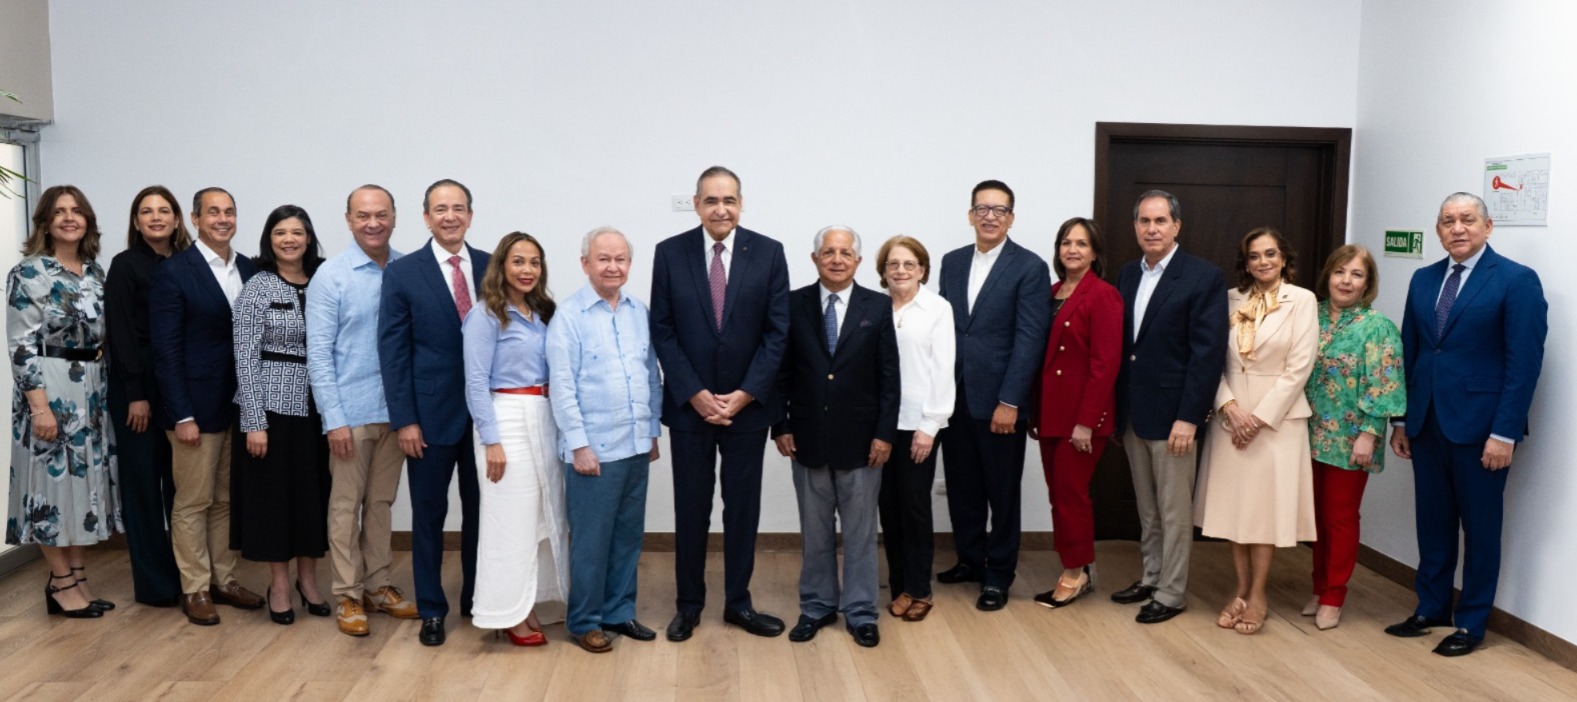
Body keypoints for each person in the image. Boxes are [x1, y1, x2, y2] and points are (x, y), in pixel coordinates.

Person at [1385, 192, 1547, 657]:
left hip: (1482, 430)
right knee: (1432, 523)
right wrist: (1401, 419)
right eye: (1448, 221)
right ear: (1438, 230)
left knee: (1480, 528)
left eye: (1467, 219)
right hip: (1427, 424)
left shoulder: (1516, 281)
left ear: (1488, 227)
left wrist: (1505, 432)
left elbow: (1524, 364)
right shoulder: (1423, 278)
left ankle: (1471, 622)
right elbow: (1411, 354)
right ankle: (1431, 607)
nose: (1457, 228)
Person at [650, 166, 790, 641]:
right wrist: (694, 392)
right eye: (711, 200)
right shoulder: (669, 254)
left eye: (729, 200)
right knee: (691, 508)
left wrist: (747, 393)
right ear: (696, 204)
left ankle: (738, 603)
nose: (721, 209)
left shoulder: (769, 253)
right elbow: (663, 330)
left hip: (747, 409)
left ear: (741, 203)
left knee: (742, 508)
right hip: (691, 408)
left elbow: (777, 332)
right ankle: (688, 604)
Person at [773, 226, 899, 648]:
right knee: (815, 531)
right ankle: (817, 606)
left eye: (846, 252)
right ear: (815, 259)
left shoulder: (878, 307)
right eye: (829, 252)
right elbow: (781, 372)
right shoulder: (792, 304)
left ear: (858, 261)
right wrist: (782, 424)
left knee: (861, 533)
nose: (837, 259)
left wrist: (884, 434)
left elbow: (889, 379)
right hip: (805, 438)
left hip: (863, 443)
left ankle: (861, 611)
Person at [378, 179, 489, 646]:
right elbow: (393, 351)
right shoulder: (404, 273)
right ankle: (432, 609)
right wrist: (405, 419)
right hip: (428, 417)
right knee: (428, 515)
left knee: (484, 513)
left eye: (458, 208)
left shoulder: (490, 266)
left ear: (470, 214)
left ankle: (478, 600)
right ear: (426, 217)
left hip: (485, 419)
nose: (450, 216)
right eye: (440, 209)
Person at [6, 185, 123, 618]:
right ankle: (59, 584)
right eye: (59, 212)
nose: (69, 218)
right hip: (51, 390)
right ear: (45, 222)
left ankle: (78, 578)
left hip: (91, 390)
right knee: (52, 489)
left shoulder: (95, 272)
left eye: (77, 211)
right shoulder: (29, 273)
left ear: (88, 220)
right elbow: (20, 345)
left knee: (82, 490)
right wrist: (39, 407)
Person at [307, 184, 418, 636]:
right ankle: (348, 595)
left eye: (382, 214)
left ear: (395, 217)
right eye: (363, 215)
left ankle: (379, 586)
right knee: (345, 506)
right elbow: (318, 353)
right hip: (350, 414)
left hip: (397, 412)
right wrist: (333, 419)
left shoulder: (410, 270)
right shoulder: (331, 276)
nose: (373, 223)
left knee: (381, 503)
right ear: (349, 220)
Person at [1194, 227, 1317, 635]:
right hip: (1231, 418)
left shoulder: (1302, 301)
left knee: (1264, 512)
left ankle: (1259, 594)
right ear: (1245, 263)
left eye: (1270, 254)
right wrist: (1229, 407)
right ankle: (1241, 588)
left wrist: (1259, 418)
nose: (1262, 262)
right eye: (1254, 256)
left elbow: (1300, 367)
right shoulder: (1229, 300)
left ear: (1284, 258)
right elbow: (1212, 359)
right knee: (1236, 509)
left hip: (1276, 423)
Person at [1112, 189, 1228, 624]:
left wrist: (1189, 417)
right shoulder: (1126, 275)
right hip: (1133, 414)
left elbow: (1207, 354)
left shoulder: (1202, 276)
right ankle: (1152, 575)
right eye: (1144, 221)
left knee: (1175, 511)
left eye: (1161, 221)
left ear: (1177, 226)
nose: (1152, 228)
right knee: (1148, 508)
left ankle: (1173, 592)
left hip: (1175, 416)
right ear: (1136, 227)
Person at [934, 180, 1051, 611]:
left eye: (999, 210)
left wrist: (1011, 400)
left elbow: (1030, 338)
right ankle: (969, 559)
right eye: (982, 208)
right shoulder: (951, 262)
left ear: (1011, 219)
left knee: (1001, 493)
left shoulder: (1030, 267)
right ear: (970, 215)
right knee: (962, 487)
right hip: (955, 397)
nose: (989, 216)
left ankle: (998, 575)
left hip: (1001, 401)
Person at [151, 187, 265, 625]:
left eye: (229, 211)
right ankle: (195, 588)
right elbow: (165, 350)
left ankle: (225, 579)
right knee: (193, 501)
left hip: (241, 406)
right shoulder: (175, 272)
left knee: (224, 501)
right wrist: (182, 414)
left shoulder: (251, 269)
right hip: (194, 410)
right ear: (195, 219)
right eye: (212, 212)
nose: (222, 219)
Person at [547, 227, 663, 653]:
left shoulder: (639, 311)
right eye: (603, 259)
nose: (613, 266)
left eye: (620, 259)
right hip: (593, 451)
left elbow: (651, 375)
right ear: (585, 264)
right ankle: (584, 621)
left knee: (628, 537)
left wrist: (651, 431)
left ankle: (618, 611)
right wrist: (579, 445)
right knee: (591, 541)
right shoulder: (569, 317)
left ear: (629, 265)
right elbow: (561, 387)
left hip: (634, 445)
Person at [462, 231, 568, 648]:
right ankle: (506, 612)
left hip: (542, 417)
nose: (527, 270)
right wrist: (492, 440)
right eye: (519, 261)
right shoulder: (486, 315)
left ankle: (531, 602)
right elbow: (474, 381)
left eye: (535, 263)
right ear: (502, 266)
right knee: (510, 522)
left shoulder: (541, 312)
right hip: (504, 420)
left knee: (544, 516)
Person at [230, 205, 332, 625]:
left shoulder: (324, 281)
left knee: (313, 496)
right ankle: (278, 584)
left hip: (318, 408)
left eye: (297, 232)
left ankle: (308, 582)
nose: (289, 239)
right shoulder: (258, 286)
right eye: (280, 233)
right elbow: (244, 356)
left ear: (309, 238)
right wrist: (254, 421)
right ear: (269, 240)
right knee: (273, 501)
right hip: (272, 408)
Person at [1302, 244, 1405, 631]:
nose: (1346, 281)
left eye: (1356, 274)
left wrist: (1370, 433)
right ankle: (1317, 588)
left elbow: (1386, 384)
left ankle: (1334, 595)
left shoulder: (1376, 327)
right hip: (1303, 434)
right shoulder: (1307, 315)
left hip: (1350, 439)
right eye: (1339, 272)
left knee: (1339, 518)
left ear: (1368, 283)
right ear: (1327, 275)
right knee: (1313, 519)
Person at [104, 185, 191, 608]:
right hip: (137, 390)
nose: (156, 217)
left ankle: (188, 577)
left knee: (182, 488)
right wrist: (136, 393)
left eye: (164, 210)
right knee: (143, 487)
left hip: (180, 389)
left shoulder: (190, 264)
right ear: (136, 222)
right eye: (146, 211)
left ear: (177, 218)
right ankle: (156, 586)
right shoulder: (124, 266)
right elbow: (119, 334)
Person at [1029, 217, 1122, 609]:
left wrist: (1087, 421)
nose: (1072, 250)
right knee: (1059, 495)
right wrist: (1035, 412)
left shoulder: (1103, 295)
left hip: (1081, 418)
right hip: (1051, 413)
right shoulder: (1051, 293)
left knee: (1072, 496)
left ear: (1095, 252)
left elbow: (1105, 364)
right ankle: (1078, 566)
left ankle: (1074, 572)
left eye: (1081, 244)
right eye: (1066, 242)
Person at [875, 235, 954, 622]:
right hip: (880, 425)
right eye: (893, 264)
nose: (901, 271)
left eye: (909, 264)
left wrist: (930, 426)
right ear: (883, 271)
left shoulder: (937, 309)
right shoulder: (874, 308)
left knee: (914, 507)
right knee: (887, 508)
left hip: (918, 425)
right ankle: (899, 583)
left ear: (922, 269)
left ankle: (919, 588)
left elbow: (943, 370)